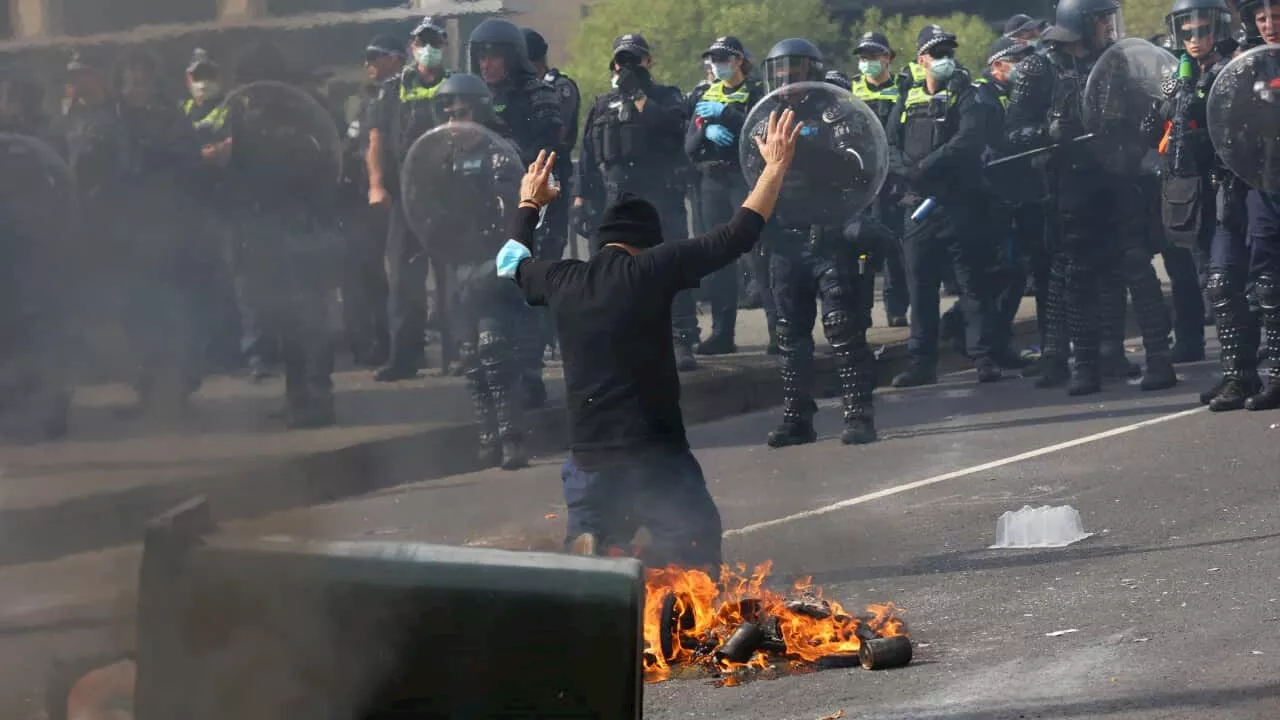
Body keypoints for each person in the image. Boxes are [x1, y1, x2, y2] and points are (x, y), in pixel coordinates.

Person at [494, 109, 801, 568]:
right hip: (652, 454)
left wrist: (529, 203)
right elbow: (738, 234)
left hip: (587, 458)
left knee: (592, 564)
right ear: (649, 242)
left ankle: (593, 560)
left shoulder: (562, 279)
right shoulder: (654, 269)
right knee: (692, 545)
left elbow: (510, 262)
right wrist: (774, 167)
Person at [1005, 0, 1177, 395]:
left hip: (1119, 178)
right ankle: (1083, 367)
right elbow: (1013, 132)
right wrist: (1049, 133)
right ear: (1080, 23)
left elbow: (1144, 112)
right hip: (1071, 185)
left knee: (1136, 266)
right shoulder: (1039, 68)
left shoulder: (1117, 62)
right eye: (1100, 19)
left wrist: (1147, 126)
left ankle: (1159, 360)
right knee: (1078, 276)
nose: (1107, 26)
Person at [753, 38, 884, 448]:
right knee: (790, 334)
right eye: (780, 72)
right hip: (787, 237)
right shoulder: (765, 118)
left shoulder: (837, 112)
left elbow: (858, 168)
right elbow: (752, 171)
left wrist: (806, 151)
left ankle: (857, 413)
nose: (787, 80)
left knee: (843, 328)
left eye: (794, 71)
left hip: (831, 235)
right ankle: (797, 418)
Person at [887, 25, 1006, 388]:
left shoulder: (967, 94)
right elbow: (888, 143)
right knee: (920, 288)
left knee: (972, 284)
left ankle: (982, 357)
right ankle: (921, 363)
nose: (944, 60)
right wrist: (906, 169)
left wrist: (925, 167)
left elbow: (967, 141)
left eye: (948, 52)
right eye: (936, 53)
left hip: (958, 203)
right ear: (921, 58)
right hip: (917, 207)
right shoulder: (906, 96)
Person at [576, 33, 702, 372]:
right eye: (621, 61)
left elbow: (677, 132)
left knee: (668, 267)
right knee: (615, 273)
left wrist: (639, 97)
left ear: (649, 61)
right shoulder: (602, 104)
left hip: (658, 195)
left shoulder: (667, 97)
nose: (627, 67)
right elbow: (588, 155)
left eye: (634, 59)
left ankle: (680, 337)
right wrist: (579, 198)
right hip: (616, 198)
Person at [426, 74, 530, 468]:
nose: (455, 119)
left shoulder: (500, 155)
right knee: (470, 356)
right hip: (460, 262)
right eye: (449, 112)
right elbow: (429, 206)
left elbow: (515, 209)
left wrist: (507, 259)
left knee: (494, 349)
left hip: (494, 259)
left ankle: (512, 439)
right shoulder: (442, 160)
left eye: (462, 111)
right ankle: (487, 438)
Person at [467, 18, 564, 407]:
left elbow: (547, 150)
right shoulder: (473, 98)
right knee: (491, 289)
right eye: (481, 57)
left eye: (494, 56)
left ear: (512, 57)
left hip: (535, 205)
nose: (487, 64)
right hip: (488, 210)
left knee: (531, 289)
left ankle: (530, 372)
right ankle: (495, 371)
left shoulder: (537, 94)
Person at [1141, 0, 1234, 367]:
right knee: (1189, 270)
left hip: (1221, 181)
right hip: (1182, 186)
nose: (1195, 38)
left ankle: (1243, 352)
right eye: (1188, 31)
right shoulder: (1175, 77)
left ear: (1219, 29)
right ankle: (1203, 347)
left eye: (1203, 30)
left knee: (1225, 271)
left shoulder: (1230, 70)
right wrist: (1158, 110)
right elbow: (1152, 132)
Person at [367, 17, 451, 382]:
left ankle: (458, 354)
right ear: (412, 47)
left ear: (443, 45)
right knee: (403, 281)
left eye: (434, 41)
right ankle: (404, 358)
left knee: (453, 280)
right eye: (421, 41)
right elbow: (376, 141)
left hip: (450, 197)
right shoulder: (391, 89)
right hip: (406, 196)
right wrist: (376, 184)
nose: (427, 47)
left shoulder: (459, 84)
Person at [685, 36, 768, 356]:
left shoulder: (757, 92)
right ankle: (722, 332)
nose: (717, 65)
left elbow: (759, 129)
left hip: (744, 177)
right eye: (713, 59)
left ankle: (778, 331)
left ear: (738, 61)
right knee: (718, 256)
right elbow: (688, 146)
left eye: (724, 58)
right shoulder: (704, 94)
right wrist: (703, 131)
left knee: (759, 254)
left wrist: (727, 115)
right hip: (712, 180)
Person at [338, 34, 404, 368]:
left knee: (390, 275)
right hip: (360, 199)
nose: (369, 65)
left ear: (395, 58)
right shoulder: (365, 100)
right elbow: (351, 145)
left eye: (375, 57)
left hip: (391, 197)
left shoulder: (402, 94)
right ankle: (369, 345)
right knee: (363, 273)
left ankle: (391, 344)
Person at [975, 37, 1039, 362]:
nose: (1022, 67)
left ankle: (1002, 341)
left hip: (1021, 193)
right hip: (994, 198)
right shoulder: (982, 97)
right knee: (999, 275)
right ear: (997, 65)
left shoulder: (1019, 94)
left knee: (1018, 274)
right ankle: (990, 348)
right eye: (1015, 60)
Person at [853, 31, 909, 328]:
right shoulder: (850, 90)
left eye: (873, 56)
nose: (867, 62)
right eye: (863, 57)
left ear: (888, 57)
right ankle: (861, 309)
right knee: (860, 247)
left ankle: (896, 308)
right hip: (859, 180)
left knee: (892, 245)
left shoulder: (903, 89)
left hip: (890, 180)